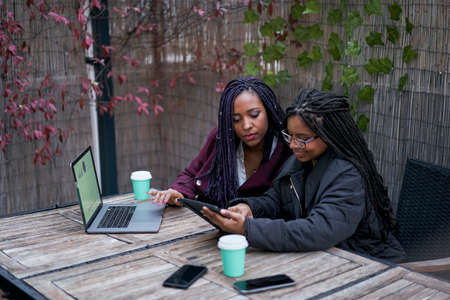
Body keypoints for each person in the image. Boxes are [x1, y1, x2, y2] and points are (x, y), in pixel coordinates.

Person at [202, 88, 406, 263]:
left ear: (329, 135)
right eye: (290, 136)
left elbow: (318, 230)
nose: (292, 145)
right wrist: (248, 208)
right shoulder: (301, 160)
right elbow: (275, 199)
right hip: (325, 259)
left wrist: (249, 229)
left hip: (369, 264)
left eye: (303, 138)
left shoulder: (348, 175)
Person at [150, 77, 291, 208]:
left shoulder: (287, 149)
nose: (246, 125)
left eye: (254, 115)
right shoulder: (221, 139)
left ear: (269, 111)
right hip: (210, 226)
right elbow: (191, 175)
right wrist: (179, 192)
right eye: (236, 119)